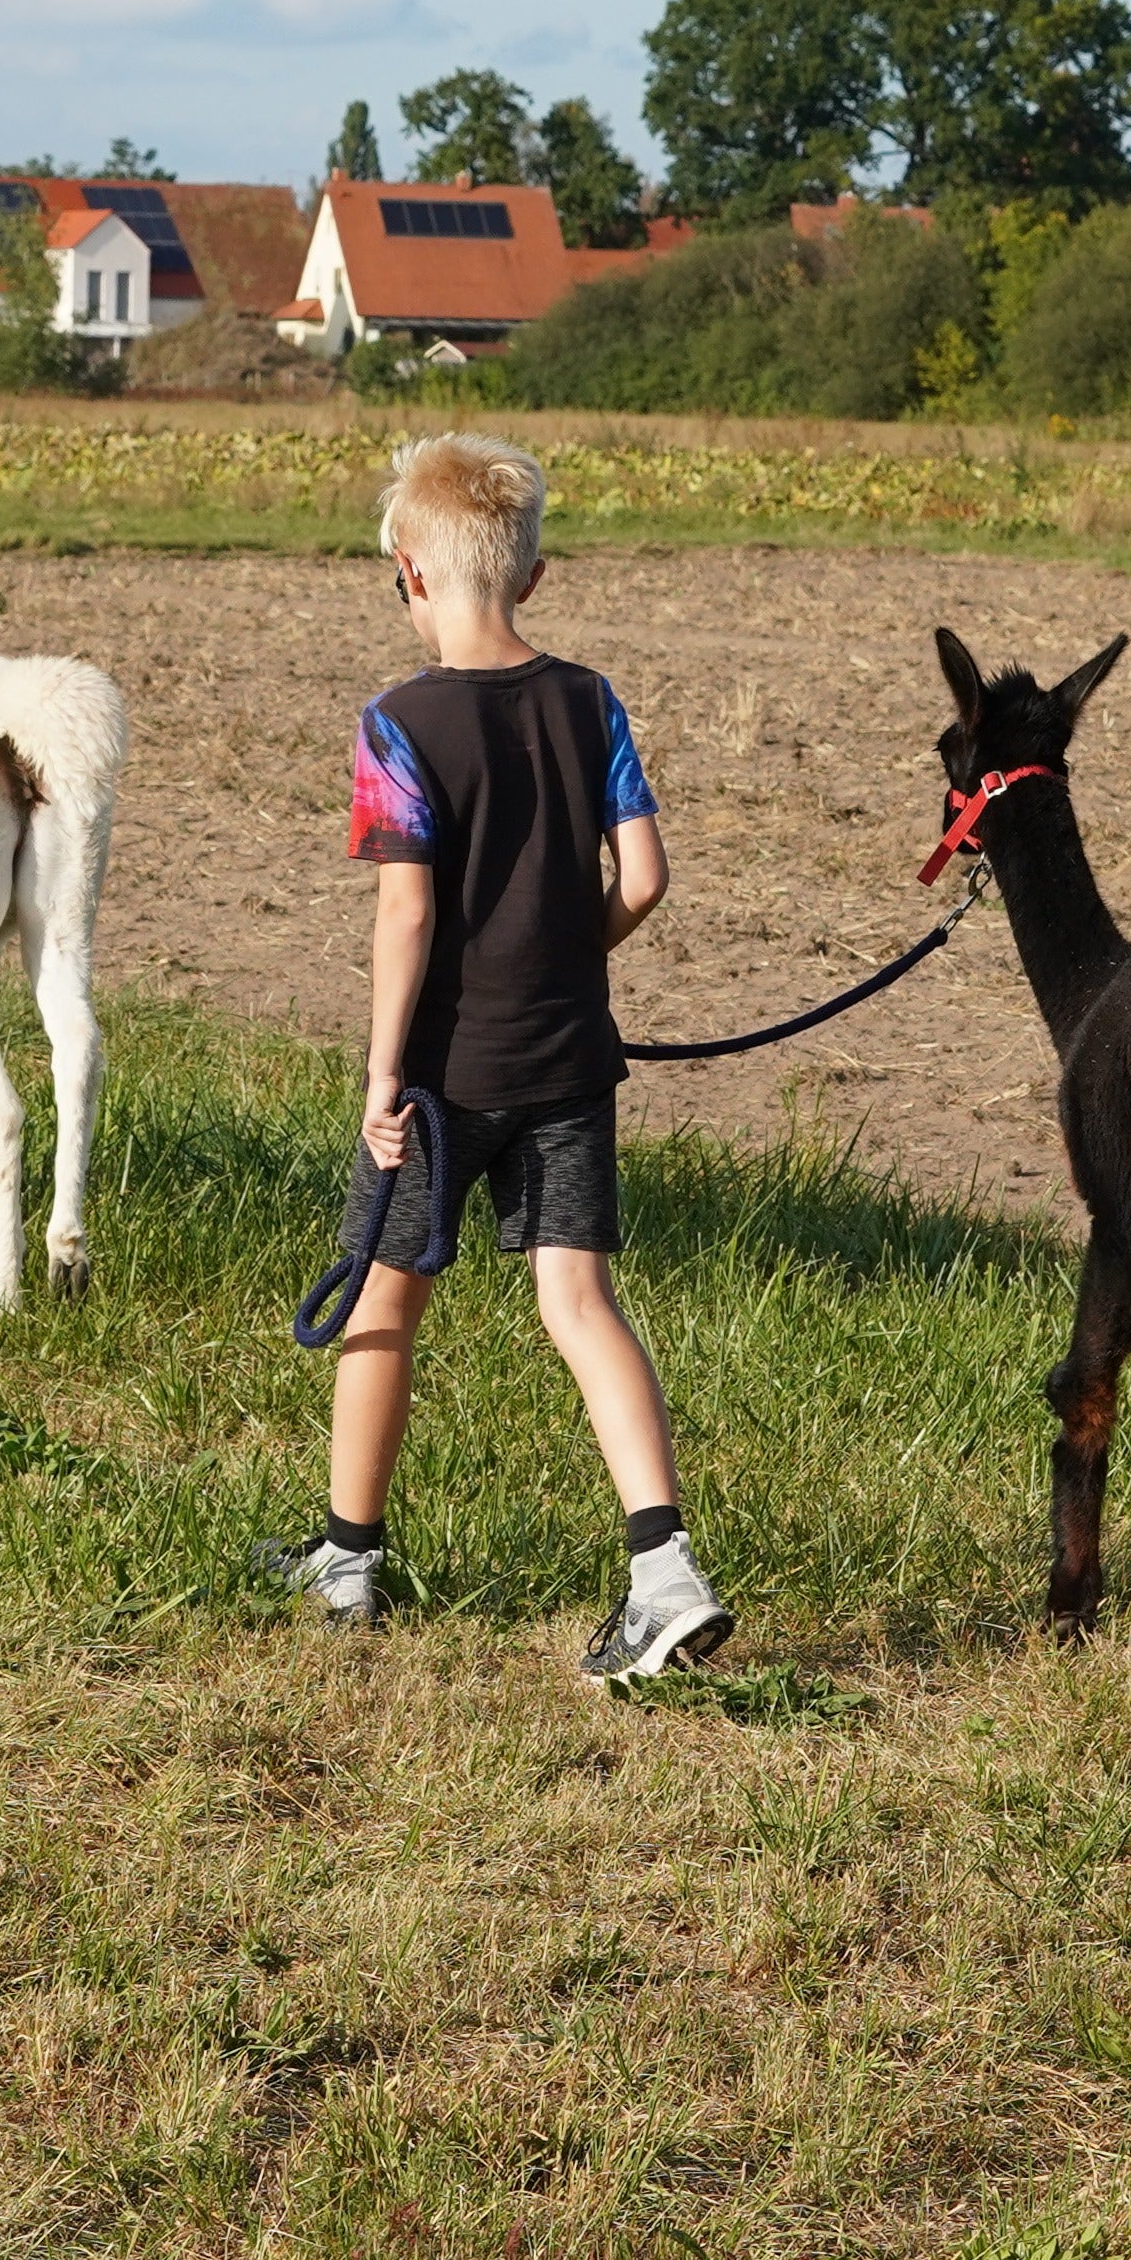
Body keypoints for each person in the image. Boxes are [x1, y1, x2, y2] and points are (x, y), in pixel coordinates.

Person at [262, 431, 735, 1685]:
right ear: (530, 576)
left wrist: (378, 1077)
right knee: (579, 1306)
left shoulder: (395, 723)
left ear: (410, 573)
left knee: (384, 1299)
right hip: (571, 1061)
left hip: (437, 1082)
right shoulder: (592, 701)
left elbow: (407, 914)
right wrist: (576, 958)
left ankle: (347, 1557)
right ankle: (663, 1570)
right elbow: (645, 876)